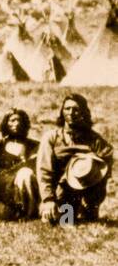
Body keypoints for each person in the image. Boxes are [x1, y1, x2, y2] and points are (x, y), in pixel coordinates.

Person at [37, 94, 112, 225]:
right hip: (59, 192)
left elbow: (106, 159)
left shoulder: (94, 139)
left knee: (87, 222)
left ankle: (87, 208)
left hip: (86, 190)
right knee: (65, 222)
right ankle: (57, 211)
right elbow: (44, 170)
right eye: (67, 109)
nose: (71, 113)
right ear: (62, 111)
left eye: (76, 109)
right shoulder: (51, 137)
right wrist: (48, 199)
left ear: (83, 112)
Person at [0, 109, 40, 221]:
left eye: (19, 120)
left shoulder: (33, 145)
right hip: (5, 185)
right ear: (6, 124)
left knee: (26, 174)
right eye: (12, 120)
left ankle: (29, 212)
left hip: (27, 181)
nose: (16, 123)